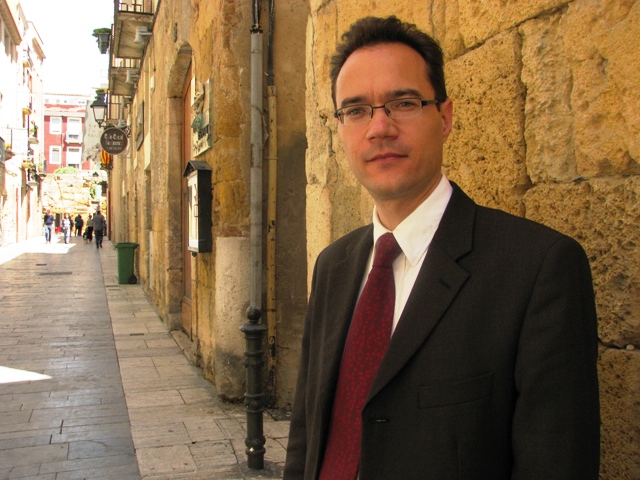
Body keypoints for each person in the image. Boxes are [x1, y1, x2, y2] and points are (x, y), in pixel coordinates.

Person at [283, 16, 600, 480]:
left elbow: (556, 460)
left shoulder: (537, 270)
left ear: (445, 117)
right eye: (356, 110)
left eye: (403, 103)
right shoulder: (332, 266)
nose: (379, 127)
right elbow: (306, 435)